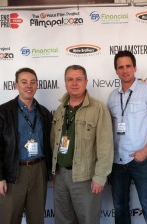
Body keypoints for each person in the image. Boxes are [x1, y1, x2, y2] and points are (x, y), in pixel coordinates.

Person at [0, 67, 52, 224]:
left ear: (37, 85)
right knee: (9, 219)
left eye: (33, 82)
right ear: (16, 85)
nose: (29, 85)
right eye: (24, 82)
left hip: (38, 171)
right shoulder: (2, 112)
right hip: (13, 174)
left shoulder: (44, 113)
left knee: (37, 220)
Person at [107, 50, 147, 224]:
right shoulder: (112, 96)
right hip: (117, 162)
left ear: (135, 68)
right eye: (120, 67)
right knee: (120, 206)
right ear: (116, 71)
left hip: (141, 160)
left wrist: (146, 151)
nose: (125, 70)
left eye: (128, 66)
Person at [50, 65, 113, 224]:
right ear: (65, 83)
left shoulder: (98, 108)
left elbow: (105, 146)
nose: (74, 83)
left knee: (88, 220)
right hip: (61, 176)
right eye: (70, 79)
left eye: (78, 79)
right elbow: (53, 141)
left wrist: (99, 177)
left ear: (86, 81)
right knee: (63, 221)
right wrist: (53, 172)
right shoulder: (60, 109)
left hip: (85, 178)